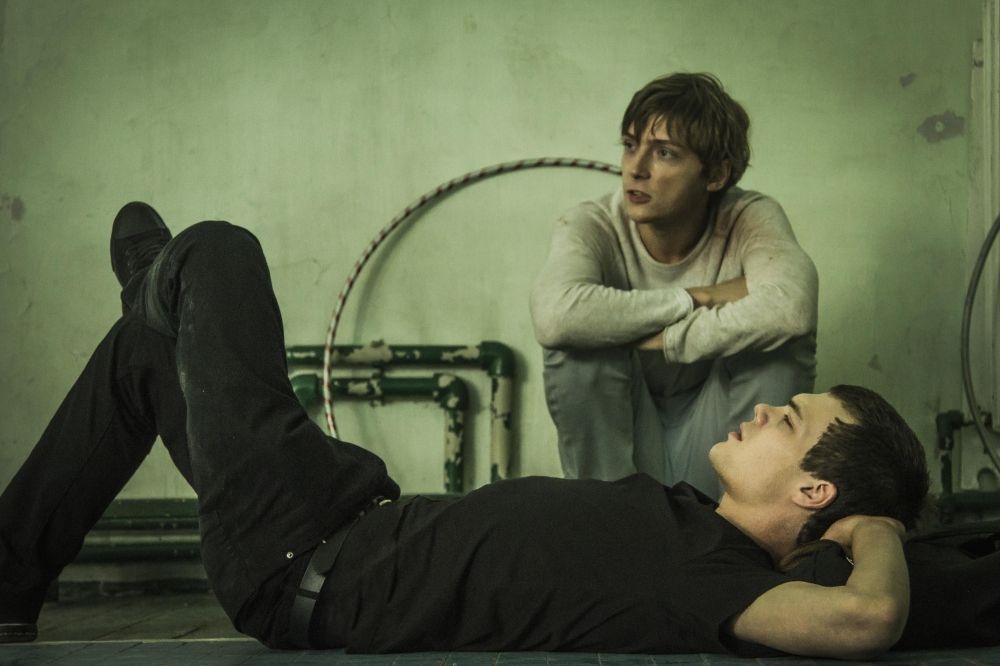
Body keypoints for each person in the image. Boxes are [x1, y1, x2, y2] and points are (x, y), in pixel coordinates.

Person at [0, 203, 929, 660]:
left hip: (298, 558)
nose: (764, 409)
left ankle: (154, 282)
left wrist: (876, 527)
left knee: (215, 250)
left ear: (815, 491)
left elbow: (863, 619)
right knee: (142, 354)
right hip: (347, 508)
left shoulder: (710, 574)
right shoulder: (693, 525)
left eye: (790, 421)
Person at [531, 73, 818, 496]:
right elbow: (557, 318)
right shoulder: (592, 222)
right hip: (622, 447)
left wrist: (666, 340)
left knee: (778, 347)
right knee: (576, 349)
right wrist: (696, 297)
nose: (636, 169)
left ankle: (743, 519)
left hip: (720, 440)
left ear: (715, 174)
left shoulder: (748, 216)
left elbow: (791, 311)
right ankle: (607, 517)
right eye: (630, 145)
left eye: (664, 153)